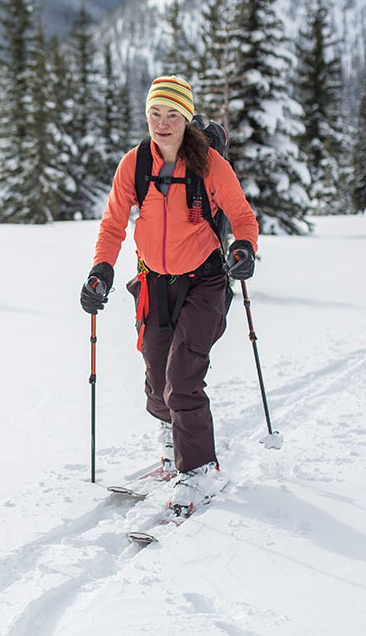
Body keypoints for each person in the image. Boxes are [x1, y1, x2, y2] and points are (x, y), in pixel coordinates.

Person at [79, 75, 258, 512]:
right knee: (157, 377)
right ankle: (171, 437)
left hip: (205, 280)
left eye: (172, 115)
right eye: (155, 113)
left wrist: (244, 249)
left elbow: (242, 216)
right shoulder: (135, 164)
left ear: (186, 119)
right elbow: (113, 224)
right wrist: (101, 269)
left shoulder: (209, 164)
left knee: (182, 376)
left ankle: (197, 471)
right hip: (155, 281)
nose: (162, 123)